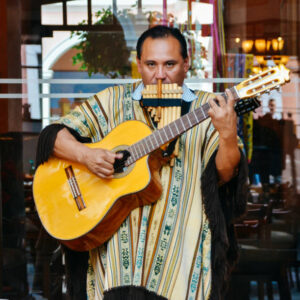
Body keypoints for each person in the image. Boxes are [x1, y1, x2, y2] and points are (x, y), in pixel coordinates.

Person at [36, 25, 248, 300]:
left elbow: (225, 173)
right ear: (138, 65)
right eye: (151, 64)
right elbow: (53, 137)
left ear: (186, 65)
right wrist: (86, 155)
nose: (160, 74)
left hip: (179, 252)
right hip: (112, 254)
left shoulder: (211, 108)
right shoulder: (112, 101)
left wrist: (228, 134)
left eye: (170, 64)